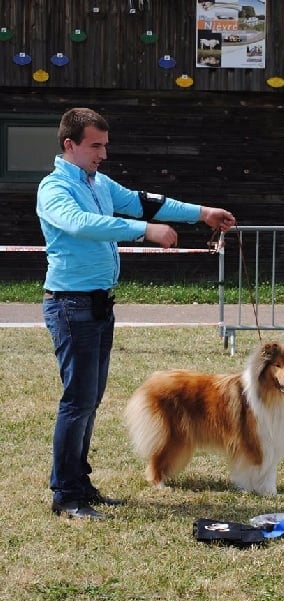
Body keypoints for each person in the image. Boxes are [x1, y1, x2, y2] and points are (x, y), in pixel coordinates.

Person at [36, 107, 236, 520]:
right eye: (95, 146)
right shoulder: (54, 189)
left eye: (105, 145)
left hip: (96, 304)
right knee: (77, 401)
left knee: (89, 400)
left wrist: (201, 213)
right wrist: (142, 230)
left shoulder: (98, 183)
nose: (103, 154)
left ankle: (80, 482)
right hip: (70, 306)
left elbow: (148, 202)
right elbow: (80, 223)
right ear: (69, 144)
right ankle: (65, 494)